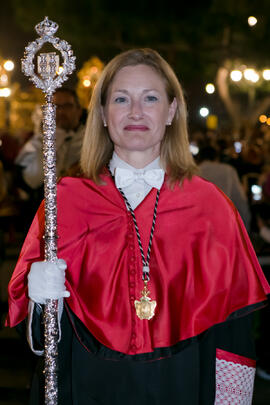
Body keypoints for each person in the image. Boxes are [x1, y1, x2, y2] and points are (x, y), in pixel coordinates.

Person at [6, 49, 270, 404]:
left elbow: (234, 334)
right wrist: (39, 301)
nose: (135, 112)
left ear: (171, 111)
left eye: (150, 98)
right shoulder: (64, 202)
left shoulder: (210, 207)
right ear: (101, 113)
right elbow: (42, 345)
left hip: (184, 384)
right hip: (89, 385)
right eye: (120, 99)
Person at [15, 88, 84, 190]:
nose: (61, 112)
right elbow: (29, 180)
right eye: (55, 107)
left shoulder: (89, 139)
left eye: (67, 106)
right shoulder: (38, 140)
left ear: (79, 111)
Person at [198, 144, 251, 231]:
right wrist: (246, 228)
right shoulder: (228, 171)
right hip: (224, 225)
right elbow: (240, 201)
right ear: (216, 158)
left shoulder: (193, 172)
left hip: (200, 227)